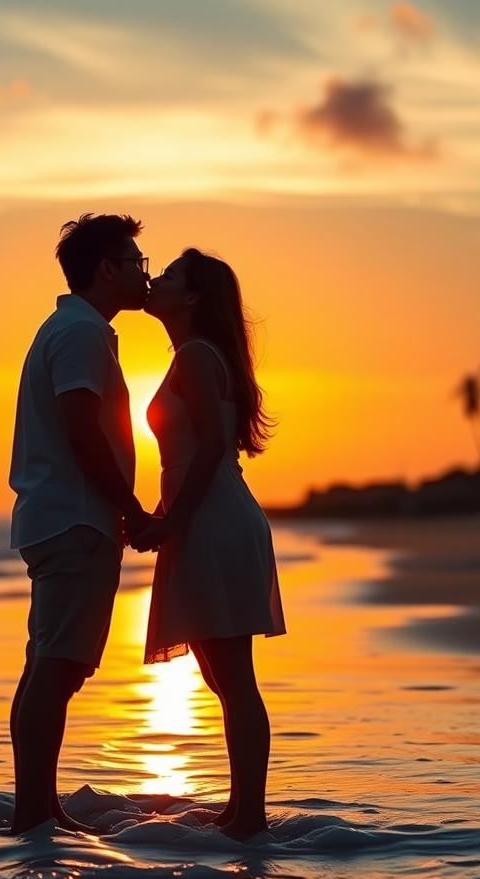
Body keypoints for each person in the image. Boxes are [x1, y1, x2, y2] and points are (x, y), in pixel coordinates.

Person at [133, 248, 286, 840]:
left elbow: (209, 457)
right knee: (222, 677)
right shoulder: (193, 356)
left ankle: (250, 816)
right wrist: (160, 518)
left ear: (192, 297)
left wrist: (167, 524)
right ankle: (240, 807)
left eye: (169, 275)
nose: (156, 279)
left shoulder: (197, 356)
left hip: (213, 520)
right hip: (206, 517)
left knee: (234, 676)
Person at [8, 213, 152, 835]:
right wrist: (131, 509)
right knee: (58, 667)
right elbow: (82, 430)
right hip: (75, 520)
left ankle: (36, 806)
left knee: (47, 663)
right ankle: (35, 812)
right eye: (136, 262)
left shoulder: (74, 329)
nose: (145, 273)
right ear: (106, 269)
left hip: (62, 517)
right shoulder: (80, 333)